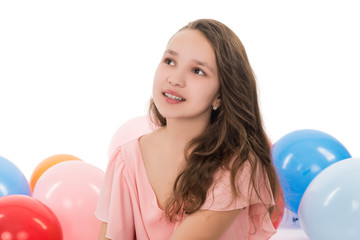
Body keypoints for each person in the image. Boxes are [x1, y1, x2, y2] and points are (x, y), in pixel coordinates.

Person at [96, 18, 283, 240]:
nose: (175, 79)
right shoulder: (125, 160)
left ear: (220, 96)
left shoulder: (236, 166)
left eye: (198, 71)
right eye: (170, 61)